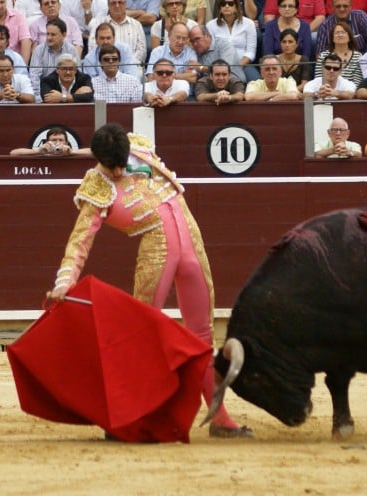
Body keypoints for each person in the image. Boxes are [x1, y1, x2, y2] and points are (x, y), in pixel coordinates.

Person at [46, 123, 251, 439]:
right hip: (158, 257)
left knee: (203, 334)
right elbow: (79, 241)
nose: (116, 172)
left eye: (119, 164)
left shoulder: (140, 146)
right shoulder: (96, 187)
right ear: (97, 159)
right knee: (140, 338)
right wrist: (64, 281)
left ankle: (220, 418)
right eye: (109, 166)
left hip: (193, 247)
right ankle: (125, 417)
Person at [207, 0, 259, 82]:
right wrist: (223, 69)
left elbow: (251, 52)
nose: (227, 6)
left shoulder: (249, 24)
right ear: (219, 8)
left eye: (230, 4)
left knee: (255, 80)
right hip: (220, 67)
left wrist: (237, 67)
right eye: (223, 4)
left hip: (244, 64)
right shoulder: (211, 25)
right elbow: (212, 51)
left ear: (236, 7)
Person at [29, 18, 79, 99]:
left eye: (53, 34)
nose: (49, 37)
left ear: (64, 35)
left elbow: (77, 75)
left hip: (67, 95)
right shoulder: (38, 50)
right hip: (45, 95)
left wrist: (67, 97)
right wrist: (39, 100)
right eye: (47, 34)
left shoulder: (71, 50)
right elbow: (34, 78)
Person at [87, 0, 147, 65]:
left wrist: (128, 65)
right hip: (103, 68)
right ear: (108, 5)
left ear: (125, 4)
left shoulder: (136, 25)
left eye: (120, 2)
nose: (117, 6)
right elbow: (92, 48)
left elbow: (142, 51)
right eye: (113, 3)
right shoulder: (98, 24)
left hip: (132, 68)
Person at [315, 21, 363, 86]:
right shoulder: (323, 55)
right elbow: (318, 79)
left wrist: (340, 93)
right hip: (325, 92)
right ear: (332, 38)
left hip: (349, 93)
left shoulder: (358, 56)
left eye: (343, 32)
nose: (340, 35)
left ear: (349, 38)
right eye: (337, 33)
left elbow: (357, 82)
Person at [9, 125, 93, 156]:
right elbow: (13, 153)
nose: (57, 143)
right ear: (47, 141)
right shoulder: (42, 151)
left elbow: (93, 152)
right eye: (54, 140)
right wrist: (38, 151)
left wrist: (72, 152)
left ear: (67, 143)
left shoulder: (70, 151)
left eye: (61, 140)